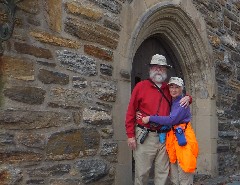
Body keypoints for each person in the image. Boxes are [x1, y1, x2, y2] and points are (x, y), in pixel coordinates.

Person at [125, 54, 191, 185]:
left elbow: (179, 94)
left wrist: (189, 97)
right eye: (156, 67)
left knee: (162, 173)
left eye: (162, 68)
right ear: (150, 69)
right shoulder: (141, 86)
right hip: (145, 135)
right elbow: (131, 111)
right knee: (142, 173)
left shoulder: (169, 88)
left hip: (165, 137)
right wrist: (130, 135)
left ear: (166, 70)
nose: (159, 70)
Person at [141, 77, 199, 185]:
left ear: (182, 89)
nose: (173, 89)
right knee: (174, 179)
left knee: (184, 176)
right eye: (171, 86)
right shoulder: (171, 100)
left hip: (183, 141)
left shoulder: (182, 103)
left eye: (177, 87)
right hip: (173, 140)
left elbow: (171, 120)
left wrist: (150, 118)